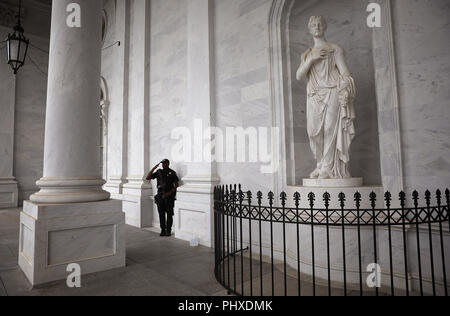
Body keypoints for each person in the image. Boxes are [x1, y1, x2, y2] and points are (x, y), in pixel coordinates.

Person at [296, 16, 356, 179]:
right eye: (313, 25)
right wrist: (311, 60)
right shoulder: (306, 54)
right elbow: (299, 75)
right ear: (309, 29)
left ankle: (327, 168)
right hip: (314, 95)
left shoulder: (334, 49)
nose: (317, 27)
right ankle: (320, 163)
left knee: (330, 129)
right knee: (313, 132)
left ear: (325, 27)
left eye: (320, 24)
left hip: (332, 92)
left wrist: (345, 86)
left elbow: (345, 72)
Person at [146, 159, 179, 237]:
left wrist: (169, 193)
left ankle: (168, 230)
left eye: (164, 163)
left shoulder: (172, 173)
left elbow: (176, 185)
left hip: (169, 197)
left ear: (168, 164)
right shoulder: (158, 172)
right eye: (162, 163)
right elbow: (148, 177)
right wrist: (154, 168)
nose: (163, 165)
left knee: (169, 214)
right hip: (160, 196)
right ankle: (163, 230)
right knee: (161, 214)